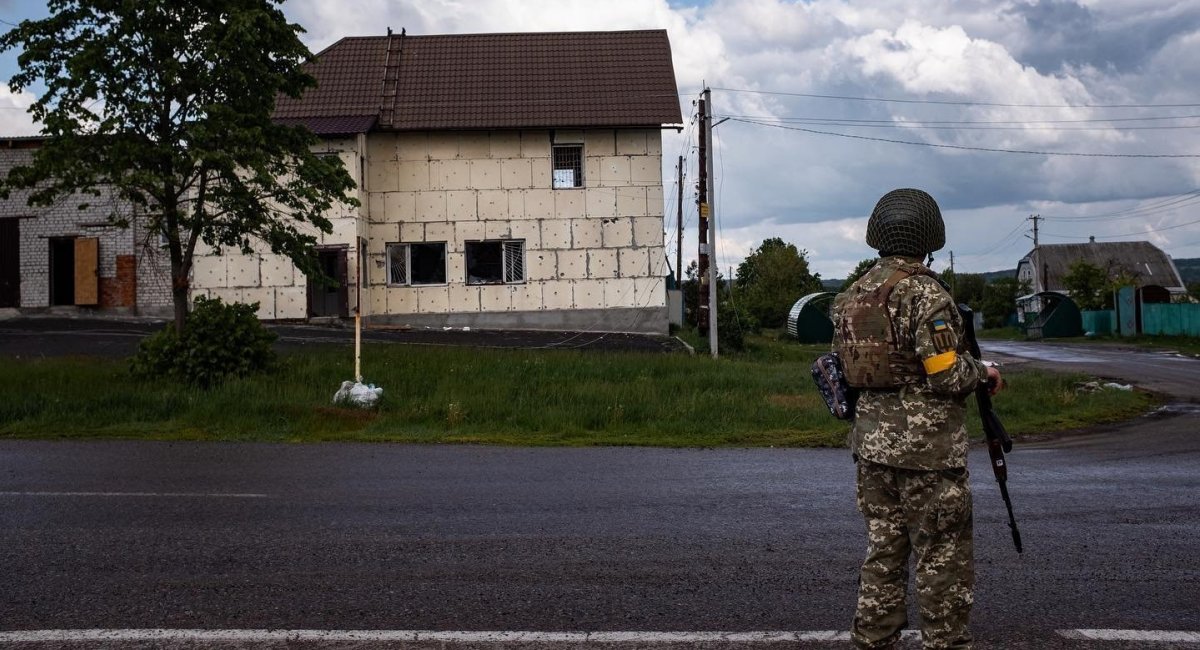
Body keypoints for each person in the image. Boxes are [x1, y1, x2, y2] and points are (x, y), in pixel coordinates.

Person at [830, 188, 1003, 650]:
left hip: (871, 449)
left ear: (877, 236)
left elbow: (843, 369)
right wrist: (983, 372)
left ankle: (873, 640)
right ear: (931, 236)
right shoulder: (927, 294)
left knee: (884, 553)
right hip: (928, 454)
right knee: (941, 560)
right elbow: (946, 374)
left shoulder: (852, 296)